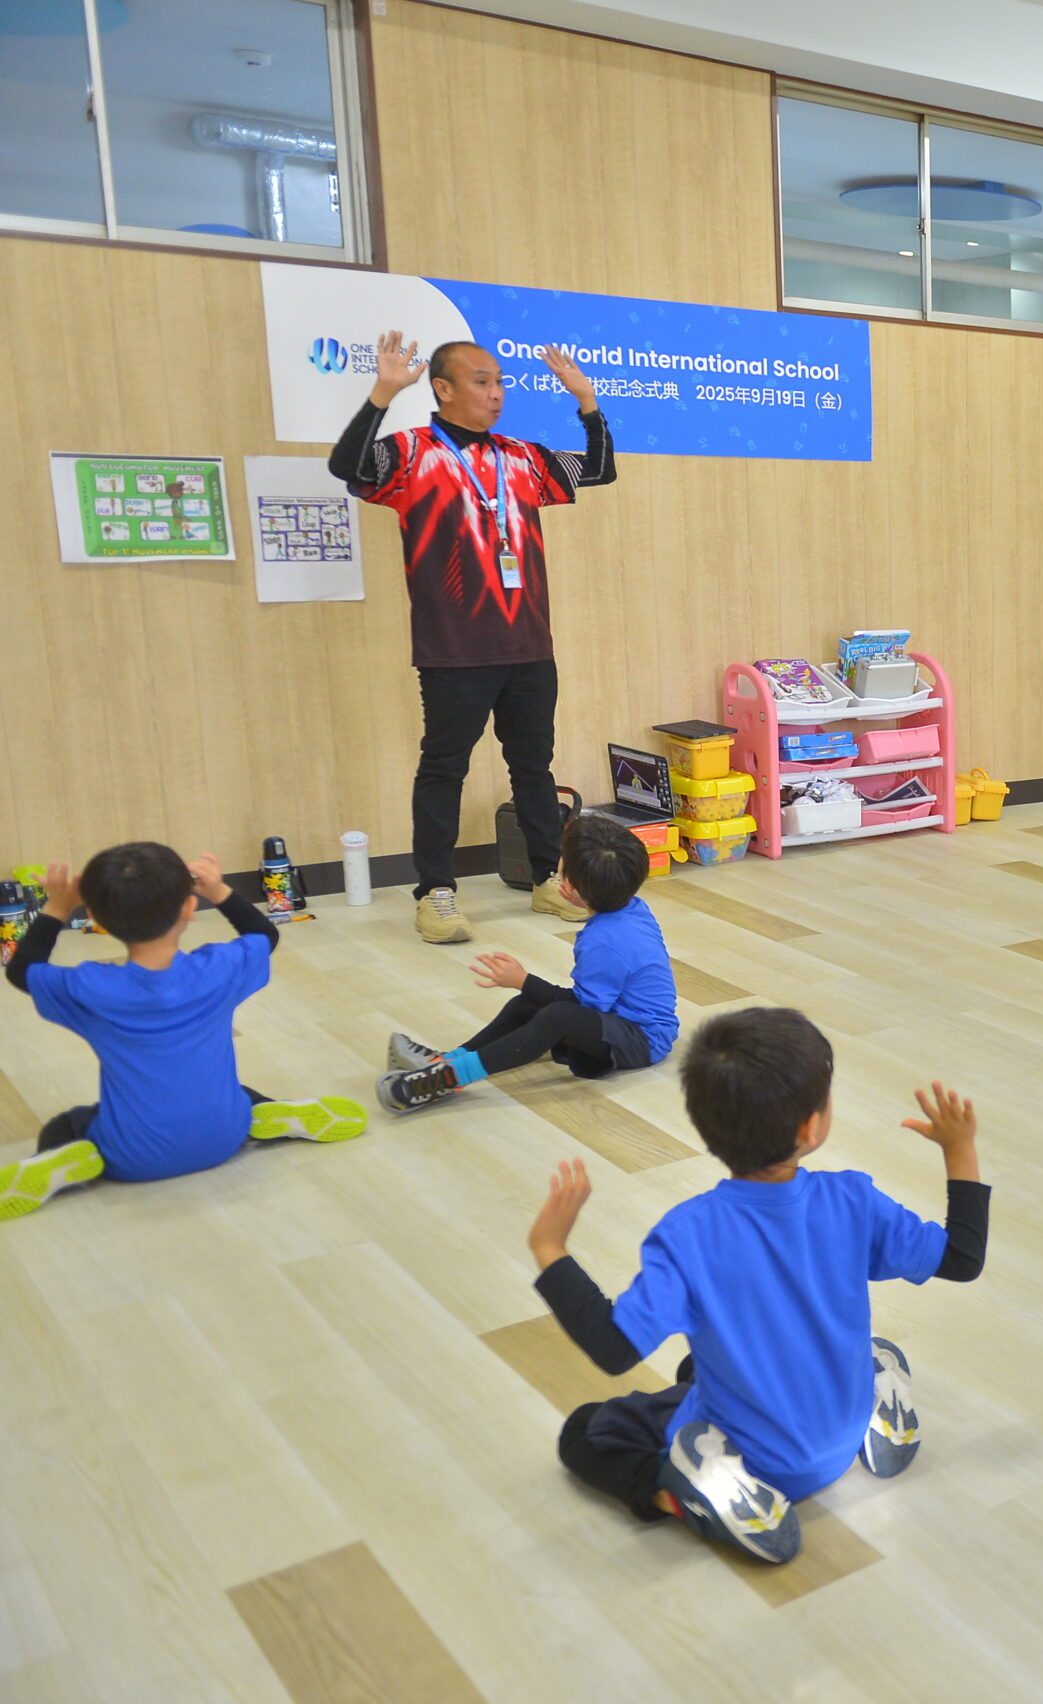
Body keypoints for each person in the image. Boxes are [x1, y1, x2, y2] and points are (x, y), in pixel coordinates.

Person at [528, 1008, 990, 1563]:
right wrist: (959, 1151)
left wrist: (551, 1251)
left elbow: (613, 1347)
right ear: (810, 1128)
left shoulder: (689, 1235)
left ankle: (686, 1495)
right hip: (840, 1438)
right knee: (698, 1367)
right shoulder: (853, 1200)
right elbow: (961, 1259)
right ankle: (872, 1401)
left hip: (761, 1463)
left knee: (585, 1433)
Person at [329, 329, 620, 946]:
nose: (496, 393)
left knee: (533, 768)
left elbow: (600, 469)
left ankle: (546, 877)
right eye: (482, 382)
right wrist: (383, 393)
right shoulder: (411, 453)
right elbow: (347, 467)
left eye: (499, 382)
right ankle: (435, 892)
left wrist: (587, 402)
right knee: (444, 769)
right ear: (443, 389)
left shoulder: (522, 457)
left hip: (528, 646)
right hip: (454, 649)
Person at [2, 844, 365, 1219]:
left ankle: (60, 1157)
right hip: (225, 1137)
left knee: (67, 1124)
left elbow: (20, 970)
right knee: (237, 1093)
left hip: (130, 1158)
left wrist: (58, 907)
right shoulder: (219, 968)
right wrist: (219, 892)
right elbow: (264, 934)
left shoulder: (89, 988)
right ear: (189, 908)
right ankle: (265, 1116)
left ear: (98, 920)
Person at [376, 816, 676, 1114]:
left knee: (556, 1015)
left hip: (642, 1040)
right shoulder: (632, 908)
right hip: (620, 1021)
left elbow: (582, 1008)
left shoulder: (604, 942)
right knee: (528, 1005)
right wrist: (529, 989)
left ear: (572, 887)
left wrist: (523, 980)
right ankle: (448, 1060)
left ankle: (451, 1077)